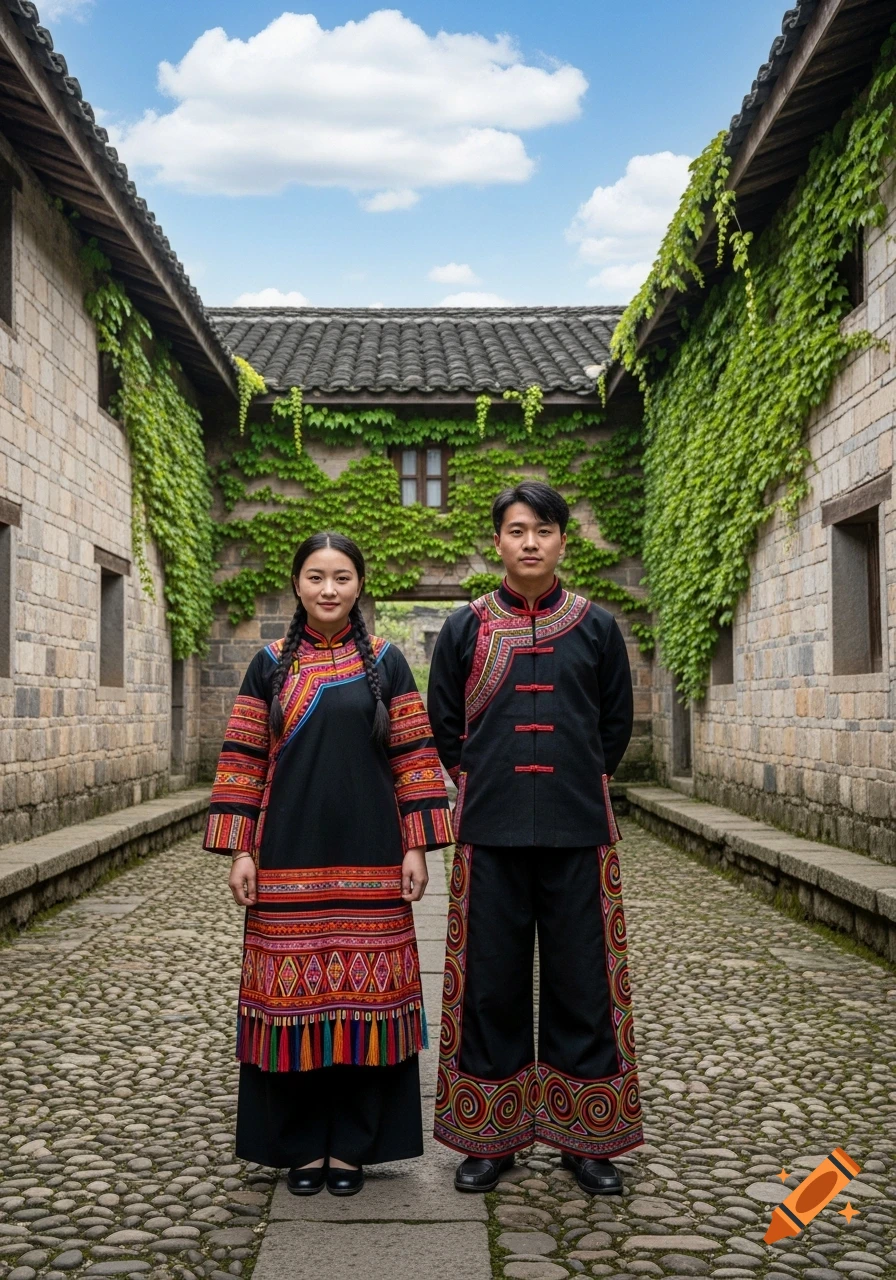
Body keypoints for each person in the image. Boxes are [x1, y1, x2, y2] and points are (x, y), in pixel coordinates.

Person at [204, 532, 453, 1196]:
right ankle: (300, 1148)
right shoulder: (268, 667)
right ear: (296, 585)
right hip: (287, 863)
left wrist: (415, 845)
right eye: (315, 577)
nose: (328, 589)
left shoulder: (390, 665)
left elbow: (413, 759)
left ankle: (352, 1149)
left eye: (341, 577)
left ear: (359, 586)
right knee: (293, 1004)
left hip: (371, 863)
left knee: (365, 1004)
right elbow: (243, 762)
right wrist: (242, 849)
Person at [427, 481, 643, 1195]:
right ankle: (493, 1137)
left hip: (578, 827)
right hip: (489, 831)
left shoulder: (595, 626)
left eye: (543, 530)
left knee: (584, 984)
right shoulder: (466, 628)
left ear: (561, 540)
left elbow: (614, 726)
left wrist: (573, 778)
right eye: (517, 529)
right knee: (489, 983)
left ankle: (588, 1142)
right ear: (498, 541)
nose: (529, 542)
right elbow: (444, 725)